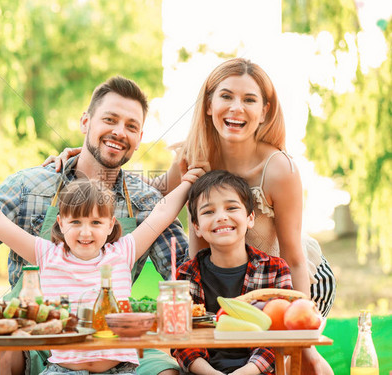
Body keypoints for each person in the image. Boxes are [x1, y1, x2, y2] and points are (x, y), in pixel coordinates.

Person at [44, 58, 335, 374]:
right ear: (209, 104)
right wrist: (82, 155)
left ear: (264, 111)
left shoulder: (280, 169)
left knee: (292, 359)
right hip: (230, 277)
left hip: (291, 274)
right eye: (226, 96)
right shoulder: (194, 153)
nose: (236, 107)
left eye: (249, 100)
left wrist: (304, 338)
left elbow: (294, 259)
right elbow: (151, 194)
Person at [0, 76, 189, 374]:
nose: (119, 131)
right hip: (39, 338)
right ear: (85, 122)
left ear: (140, 137)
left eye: (130, 126)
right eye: (110, 119)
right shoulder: (31, 186)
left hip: (116, 342)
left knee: (167, 371)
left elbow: (187, 270)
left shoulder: (144, 201)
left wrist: (194, 184)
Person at [172, 170, 293, 375]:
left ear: (250, 218)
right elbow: (182, 341)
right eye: (208, 212)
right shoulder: (186, 274)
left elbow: (278, 336)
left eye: (231, 207)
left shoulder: (275, 270)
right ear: (197, 227)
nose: (221, 217)